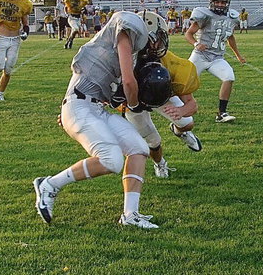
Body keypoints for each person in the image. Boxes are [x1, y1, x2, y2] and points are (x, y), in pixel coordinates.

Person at [32, 11, 171, 229]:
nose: (157, 45)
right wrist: (134, 104)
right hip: (80, 105)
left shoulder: (127, 53)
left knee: (139, 148)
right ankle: (49, 184)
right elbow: (128, 82)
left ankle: (130, 214)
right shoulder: (128, 29)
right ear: (146, 29)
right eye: (157, 38)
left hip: (94, 108)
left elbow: (117, 92)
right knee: (111, 160)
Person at [124, 12, 203, 178]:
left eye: (153, 40)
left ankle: (180, 131)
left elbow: (191, 104)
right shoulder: (119, 61)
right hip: (133, 102)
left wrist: (181, 112)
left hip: (162, 97)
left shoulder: (170, 62)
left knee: (187, 123)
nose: (150, 45)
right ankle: (160, 163)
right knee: (153, 141)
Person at [185, 0, 247, 122]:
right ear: (211, 2)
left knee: (229, 77)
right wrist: (196, 44)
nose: (220, 5)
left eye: (223, 2)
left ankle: (221, 113)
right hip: (200, 56)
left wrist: (238, 55)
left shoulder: (231, 17)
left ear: (227, 3)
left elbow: (230, 37)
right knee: (184, 83)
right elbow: (188, 34)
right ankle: (177, 110)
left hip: (217, 58)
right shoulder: (204, 15)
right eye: (217, 2)